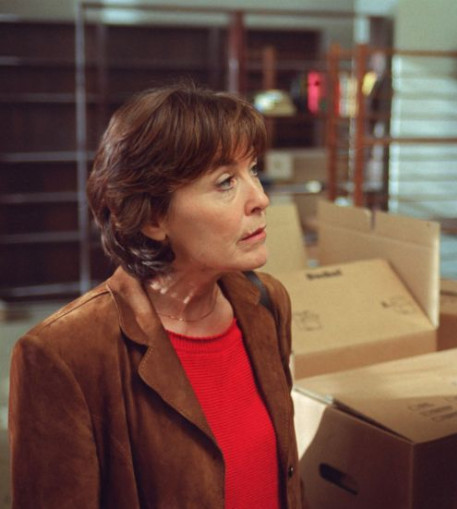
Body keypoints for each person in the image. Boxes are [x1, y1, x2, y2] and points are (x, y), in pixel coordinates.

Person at [9, 83, 304, 508]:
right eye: (225, 182)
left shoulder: (266, 302)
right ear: (152, 218)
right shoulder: (62, 355)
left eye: (253, 170)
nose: (261, 198)